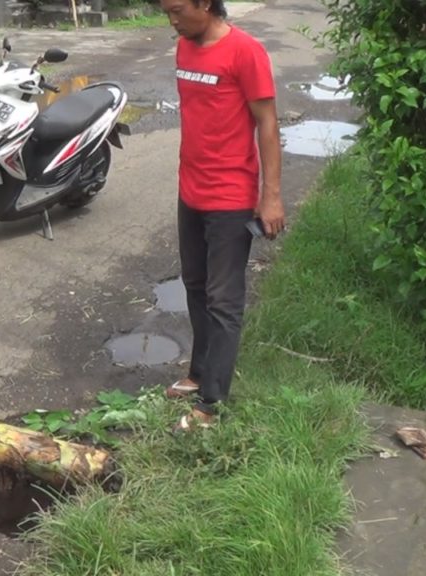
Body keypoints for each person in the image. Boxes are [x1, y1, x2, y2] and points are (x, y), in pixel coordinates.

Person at [159, 0, 284, 431]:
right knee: (194, 283)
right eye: (166, 12)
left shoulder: (245, 52)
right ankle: (199, 372)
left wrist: (271, 196)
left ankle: (211, 404)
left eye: (177, 10)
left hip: (231, 196)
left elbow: (267, 123)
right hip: (190, 189)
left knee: (223, 300)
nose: (172, 21)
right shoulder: (183, 47)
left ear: (205, 3)